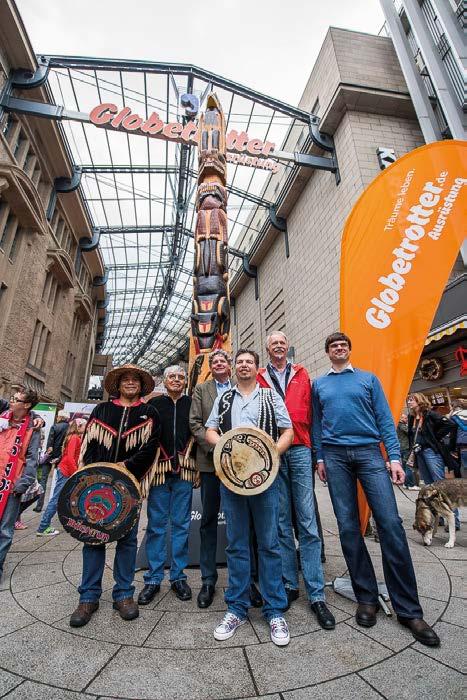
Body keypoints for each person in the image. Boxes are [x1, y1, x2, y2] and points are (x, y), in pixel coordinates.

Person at [312, 332, 440, 647]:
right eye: (333, 346)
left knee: (391, 524)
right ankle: (366, 596)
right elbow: (316, 423)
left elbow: (385, 419)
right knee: (347, 526)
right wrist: (320, 458)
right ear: (328, 352)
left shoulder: (368, 380)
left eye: (343, 345)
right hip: (335, 457)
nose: (339, 348)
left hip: (370, 453)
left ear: (349, 350)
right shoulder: (319, 385)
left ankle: (409, 610)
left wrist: (394, 457)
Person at [206, 349, 294, 646]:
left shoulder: (270, 396)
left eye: (249, 362)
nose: (244, 365)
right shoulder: (224, 398)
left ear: (257, 368)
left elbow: (287, 431)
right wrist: (226, 446)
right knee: (236, 544)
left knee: (269, 543)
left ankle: (274, 610)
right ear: (235, 368)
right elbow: (210, 430)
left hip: (265, 481)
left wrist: (269, 456)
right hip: (231, 480)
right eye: (240, 362)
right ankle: (236, 608)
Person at [70, 364, 160, 628]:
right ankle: (88, 597)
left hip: (130, 486)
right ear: (118, 385)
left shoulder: (149, 413)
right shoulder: (102, 410)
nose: (130, 383)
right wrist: (99, 474)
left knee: (128, 541)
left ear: (141, 386)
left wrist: (125, 468)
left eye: (135, 380)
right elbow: (89, 446)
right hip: (97, 487)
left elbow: (150, 448)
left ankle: (123, 594)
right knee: (93, 538)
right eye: (126, 379)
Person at [257, 331, 334, 630]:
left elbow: (313, 416)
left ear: (287, 347)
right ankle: (290, 583)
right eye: (273, 343)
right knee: (281, 522)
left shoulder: (302, 374)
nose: (278, 346)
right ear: (268, 349)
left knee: (307, 521)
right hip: (273, 450)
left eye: (282, 343)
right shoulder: (260, 377)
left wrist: (318, 454)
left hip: (301, 448)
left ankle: (316, 594)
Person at [189, 349, 263, 609]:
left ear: (230, 365)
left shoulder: (241, 386)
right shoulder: (202, 390)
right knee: (209, 520)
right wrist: (218, 448)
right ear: (211, 367)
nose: (219, 363)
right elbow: (195, 423)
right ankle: (208, 580)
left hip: (242, 466)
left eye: (223, 360)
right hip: (210, 463)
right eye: (215, 361)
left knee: (245, 521)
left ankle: (248, 580)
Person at [138, 365, 198, 605]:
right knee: (156, 525)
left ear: (185, 382)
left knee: (182, 525)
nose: (176, 380)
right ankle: (153, 578)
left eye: (180, 377)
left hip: (184, 471)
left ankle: (178, 577)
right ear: (164, 380)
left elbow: (198, 433)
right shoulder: (154, 405)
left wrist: (197, 466)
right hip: (159, 473)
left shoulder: (191, 403)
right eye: (172, 376)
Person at [0, 389, 40, 582]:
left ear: (26, 405)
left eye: (16, 400)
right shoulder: (3, 416)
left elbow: (32, 459)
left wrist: (23, 484)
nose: (11, 401)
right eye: (12, 398)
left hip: (11, 485)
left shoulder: (33, 428)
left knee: (5, 530)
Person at [407, 392, 459, 528]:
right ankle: (438, 516)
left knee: (440, 484)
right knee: (429, 486)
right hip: (419, 453)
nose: (409, 402)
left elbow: (450, 425)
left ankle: (454, 519)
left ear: (419, 401)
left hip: (431, 452)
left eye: (412, 400)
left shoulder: (430, 414)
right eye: (409, 400)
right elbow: (412, 435)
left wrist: (434, 438)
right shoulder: (412, 417)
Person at [36, 418, 86, 536]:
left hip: (65, 470)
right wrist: (76, 473)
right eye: (84, 425)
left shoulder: (73, 437)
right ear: (79, 426)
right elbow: (70, 458)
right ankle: (43, 527)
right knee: (56, 499)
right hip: (66, 471)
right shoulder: (75, 438)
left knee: (62, 499)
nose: (86, 428)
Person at [34, 410, 69, 512]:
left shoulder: (55, 427)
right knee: (61, 482)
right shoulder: (70, 428)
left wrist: (48, 456)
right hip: (62, 457)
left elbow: (50, 445)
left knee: (43, 480)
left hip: (50, 458)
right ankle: (56, 506)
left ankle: (39, 506)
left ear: (60, 417)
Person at [397, 411, 419, 490]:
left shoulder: (399, 425)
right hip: (405, 447)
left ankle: (406, 483)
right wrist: (414, 427)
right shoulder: (401, 425)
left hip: (402, 447)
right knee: (408, 466)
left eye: (406, 418)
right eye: (405, 418)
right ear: (401, 418)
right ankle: (411, 484)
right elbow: (409, 432)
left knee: (404, 465)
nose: (406, 419)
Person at [449, 399, 467, 475]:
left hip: (463, 445)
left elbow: (453, 435)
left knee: (465, 467)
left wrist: (451, 448)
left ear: (453, 406)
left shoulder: (454, 417)